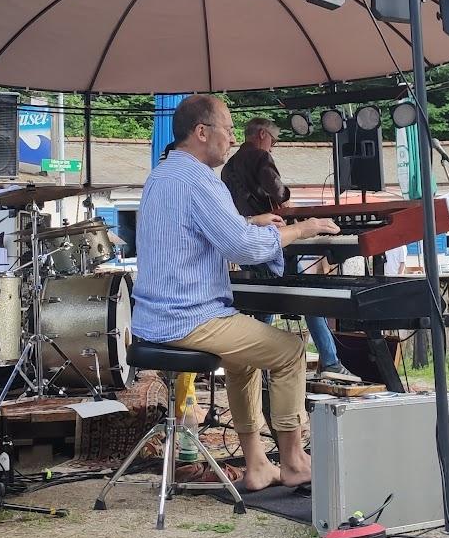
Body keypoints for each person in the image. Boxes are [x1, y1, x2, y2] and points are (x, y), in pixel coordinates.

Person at [133, 94, 340, 491]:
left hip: (156, 316)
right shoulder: (199, 181)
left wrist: (250, 221)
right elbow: (243, 248)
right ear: (201, 132)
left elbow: (204, 227)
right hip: (189, 317)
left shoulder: (163, 174)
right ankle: (295, 461)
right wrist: (301, 229)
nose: (230, 139)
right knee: (290, 350)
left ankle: (258, 464)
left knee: (244, 359)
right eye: (227, 130)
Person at [219, 116, 357, 382]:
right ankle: (329, 361)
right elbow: (279, 192)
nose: (273, 145)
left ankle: (253, 366)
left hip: (244, 238)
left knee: (265, 300)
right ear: (261, 135)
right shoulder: (260, 157)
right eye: (273, 139)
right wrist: (287, 197)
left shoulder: (229, 166)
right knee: (306, 294)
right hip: (271, 237)